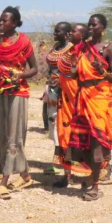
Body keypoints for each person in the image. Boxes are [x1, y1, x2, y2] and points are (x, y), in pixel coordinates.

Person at [0, 6, 38, 200]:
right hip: (0, 91)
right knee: (2, 134)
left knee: (14, 135)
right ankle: (25, 176)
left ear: (16, 23)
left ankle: (4, 181)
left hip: (18, 92)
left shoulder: (24, 42)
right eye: (0, 20)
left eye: (5, 20)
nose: (1, 23)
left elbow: (34, 69)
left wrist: (20, 76)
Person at [68, 14, 112, 201]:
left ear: (103, 28)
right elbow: (75, 75)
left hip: (99, 99)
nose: (90, 27)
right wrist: (72, 68)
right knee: (84, 142)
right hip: (82, 97)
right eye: (89, 24)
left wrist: (103, 73)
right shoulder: (81, 48)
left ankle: (96, 186)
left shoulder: (108, 49)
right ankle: (90, 176)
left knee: (97, 140)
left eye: (94, 25)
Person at [53, 23, 88, 188]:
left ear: (82, 35)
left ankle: (88, 175)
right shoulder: (69, 52)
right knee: (63, 135)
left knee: (81, 137)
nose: (70, 34)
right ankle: (67, 175)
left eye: (74, 31)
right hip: (64, 100)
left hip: (79, 101)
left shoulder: (86, 52)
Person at [44, 22, 72, 175]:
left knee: (63, 126)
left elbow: (73, 70)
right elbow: (50, 68)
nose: (55, 33)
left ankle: (62, 160)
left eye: (58, 31)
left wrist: (61, 80)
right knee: (54, 125)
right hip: (53, 92)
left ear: (67, 34)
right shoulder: (55, 48)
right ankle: (57, 159)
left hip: (66, 92)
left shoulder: (72, 50)